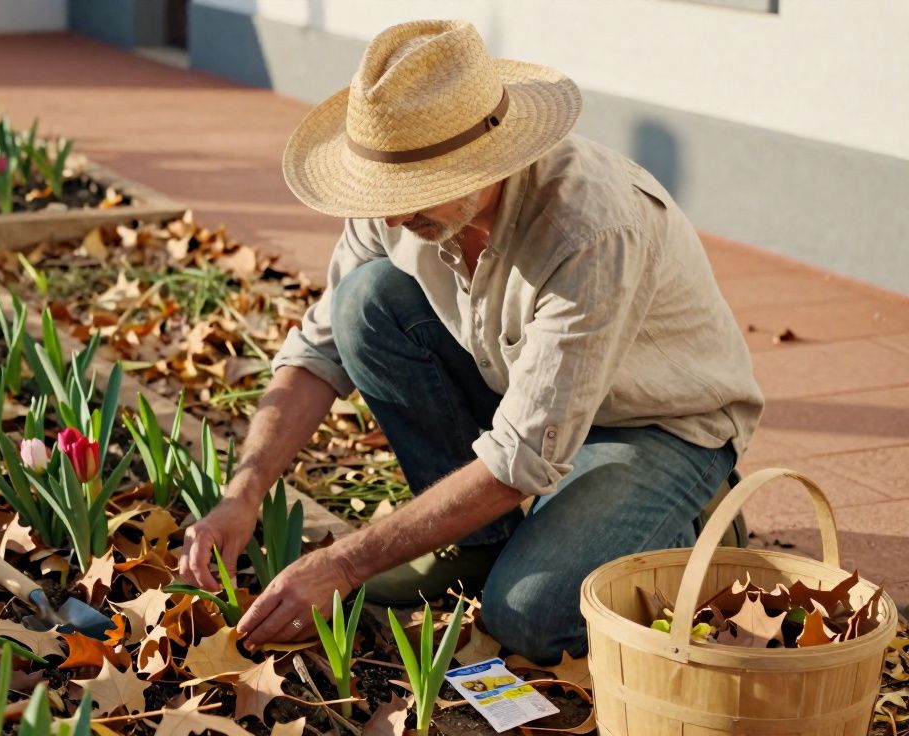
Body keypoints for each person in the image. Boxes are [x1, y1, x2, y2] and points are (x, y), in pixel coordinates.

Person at [176, 19, 763, 664]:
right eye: (384, 192)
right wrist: (242, 494)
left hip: (657, 427)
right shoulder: (395, 202)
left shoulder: (591, 230)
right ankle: (484, 542)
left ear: (488, 159)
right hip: (527, 400)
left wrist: (344, 563)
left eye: (412, 193)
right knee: (365, 303)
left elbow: (520, 459)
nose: (392, 215)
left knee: (531, 621)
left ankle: (698, 518)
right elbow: (320, 352)